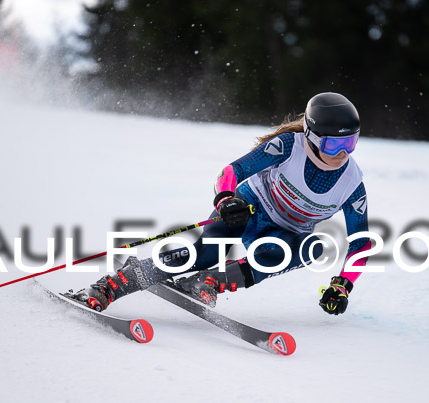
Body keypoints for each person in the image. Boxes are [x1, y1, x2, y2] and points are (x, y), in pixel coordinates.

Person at [80, 92, 371, 315]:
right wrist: (226, 199)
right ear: (311, 135)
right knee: (206, 253)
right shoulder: (287, 147)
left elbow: (361, 242)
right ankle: (117, 282)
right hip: (248, 209)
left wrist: (342, 285)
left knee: (310, 248)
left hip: (279, 235)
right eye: (334, 144)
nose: (342, 153)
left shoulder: (352, 184)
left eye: (351, 143)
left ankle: (211, 281)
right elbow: (230, 173)